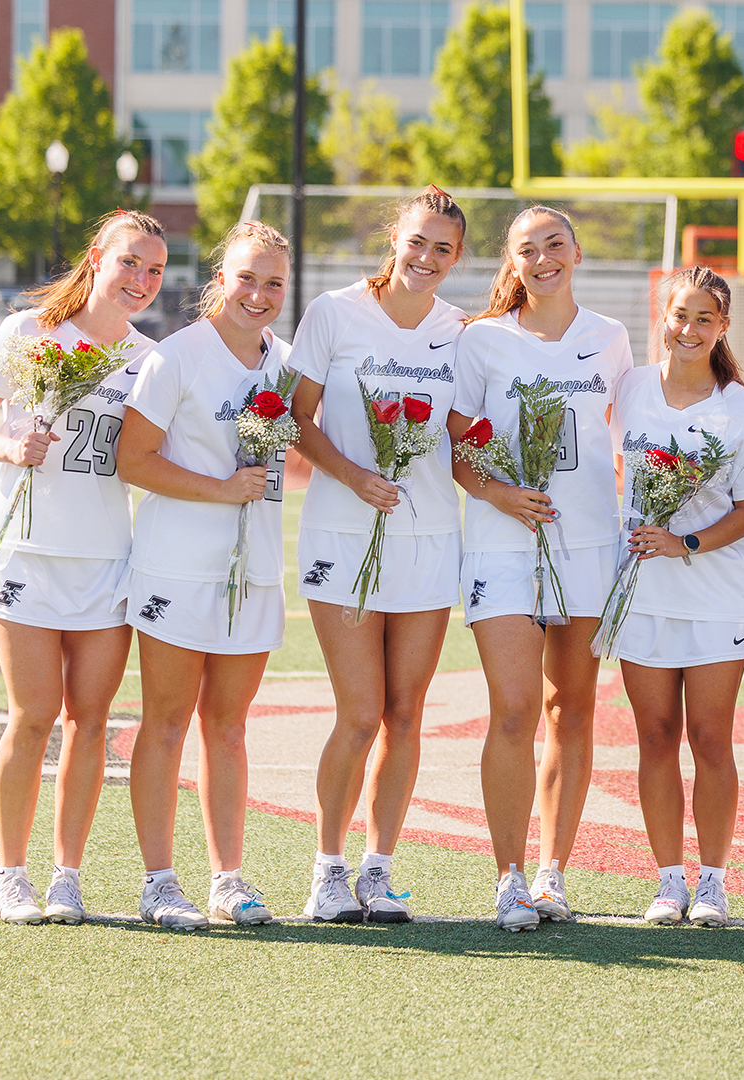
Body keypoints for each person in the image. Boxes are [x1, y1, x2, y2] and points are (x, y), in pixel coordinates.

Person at [0, 209, 167, 924]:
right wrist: (11, 450)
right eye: (130, 262)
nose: (140, 279)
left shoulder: (148, 359)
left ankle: (66, 874)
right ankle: (10, 873)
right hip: (25, 552)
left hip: (107, 559)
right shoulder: (29, 333)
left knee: (91, 721)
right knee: (34, 714)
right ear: (97, 258)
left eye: (154, 270)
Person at [289, 188, 471, 924]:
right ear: (393, 236)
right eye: (417, 241)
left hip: (428, 540)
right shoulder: (334, 312)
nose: (426, 258)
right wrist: (355, 474)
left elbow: (467, 431)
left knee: (405, 713)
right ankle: (328, 869)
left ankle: (378, 868)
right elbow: (297, 419)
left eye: (444, 249)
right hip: (342, 534)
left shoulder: (462, 329)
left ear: (457, 258)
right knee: (360, 712)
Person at [456, 206, 635, 931]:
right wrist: (502, 493)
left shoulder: (611, 339)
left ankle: (555, 871)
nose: (542, 258)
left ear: (577, 251)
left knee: (573, 709)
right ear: (513, 264)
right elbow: (459, 449)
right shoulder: (482, 342)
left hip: (588, 544)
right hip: (503, 545)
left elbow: (630, 442)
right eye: (526, 250)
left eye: (553, 244)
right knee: (514, 710)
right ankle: (509, 876)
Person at [114, 222, 295, 929]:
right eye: (247, 277)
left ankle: (228, 880)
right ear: (220, 279)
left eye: (274, 282)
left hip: (253, 571)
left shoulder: (284, 362)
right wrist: (222, 489)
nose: (259, 293)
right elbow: (134, 460)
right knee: (164, 723)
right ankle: (159, 881)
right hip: (176, 569)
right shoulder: (175, 358)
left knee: (228, 727)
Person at [609, 266, 744, 927]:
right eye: (680, 315)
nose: (688, 329)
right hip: (642, 593)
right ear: (663, 316)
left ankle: (712, 882)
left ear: (723, 327)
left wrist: (688, 542)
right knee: (654, 737)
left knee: (710, 738)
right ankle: (669, 881)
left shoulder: (742, 407)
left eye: (704, 318)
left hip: (715, 595)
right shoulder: (631, 387)